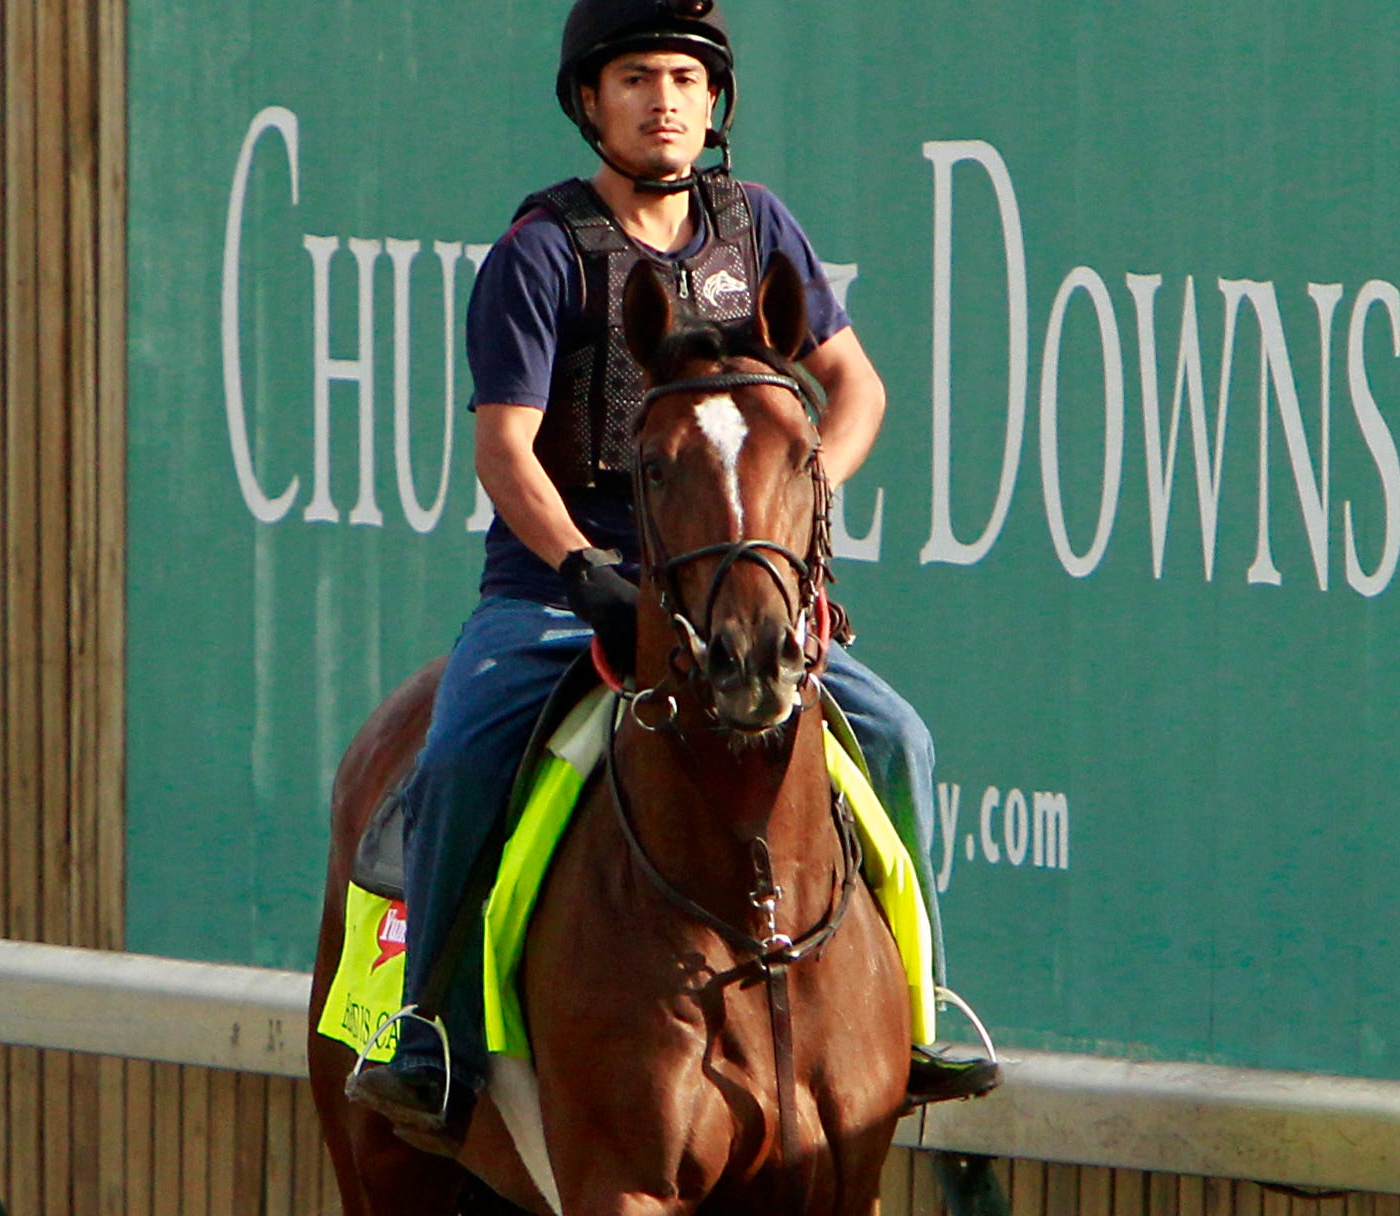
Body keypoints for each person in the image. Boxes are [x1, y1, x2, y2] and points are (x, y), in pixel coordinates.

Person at [351, 0, 998, 1149]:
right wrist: (581, 566)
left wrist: (798, 512)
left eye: (687, 81)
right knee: (453, 758)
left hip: (736, 593)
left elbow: (856, 392)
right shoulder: (537, 254)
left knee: (900, 739)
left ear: (715, 104)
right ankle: (426, 1032)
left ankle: (926, 1004)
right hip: (559, 595)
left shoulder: (760, 229)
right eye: (639, 77)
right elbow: (504, 446)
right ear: (589, 103)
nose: (666, 100)